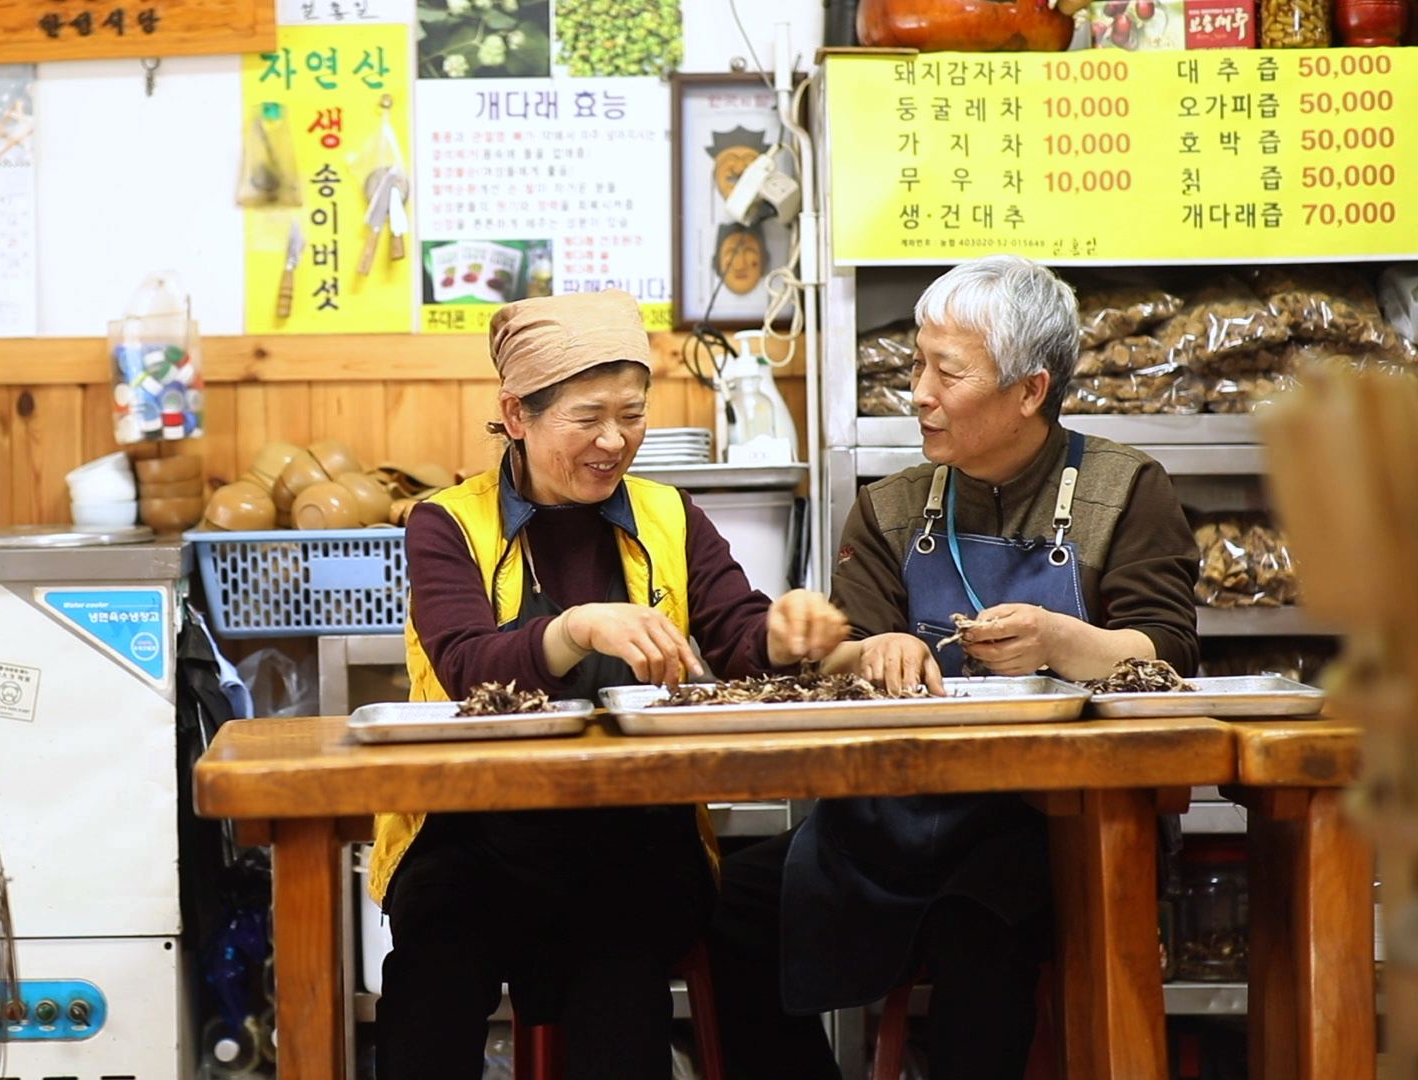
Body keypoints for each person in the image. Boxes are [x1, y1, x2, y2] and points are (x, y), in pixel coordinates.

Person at [710, 255, 1200, 1079]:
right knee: (731, 907)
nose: (920, 393)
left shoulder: (1127, 489)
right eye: (916, 364)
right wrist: (870, 650)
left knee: (984, 924)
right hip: (894, 820)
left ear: (1030, 391)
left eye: (949, 371)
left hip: (1054, 824)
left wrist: (1058, 641)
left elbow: (1168, 653)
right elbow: (842, 651)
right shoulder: (893, 506)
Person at [374, 289, 849, 1080]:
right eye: (587, 416)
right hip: (471, 836)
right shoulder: (447, 522)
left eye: (632, 413)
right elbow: (463, 661)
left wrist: (788, 633)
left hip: (635, 839)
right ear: (516, 414)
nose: (614, 440)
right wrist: (575, 629)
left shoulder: (671, 514)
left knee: (620, 997)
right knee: (429, 986)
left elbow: (738, 638)